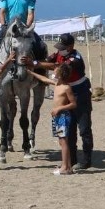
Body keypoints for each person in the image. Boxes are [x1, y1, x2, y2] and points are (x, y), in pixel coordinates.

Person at [38, 32, 94, 169]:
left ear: (71, 46)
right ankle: (72, 160)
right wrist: (33, 63)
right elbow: (48, 60)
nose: (60, 50)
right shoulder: (60, 53)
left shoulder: (75, 59)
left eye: (63, 47)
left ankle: (86, 160)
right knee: (70, 130)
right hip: (66, 95)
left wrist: (34, 63)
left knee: (84, 129)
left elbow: (57, 67)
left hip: (80, 94)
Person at [31, 64, 77, 175]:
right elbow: (44, 79)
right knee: (61, 141)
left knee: (63, 141)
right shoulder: (57, 84)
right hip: (56, 117)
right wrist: (30, 72)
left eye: (56, 70)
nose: (54, 71)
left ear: (60, 74)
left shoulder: (66, 87)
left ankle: (64, 167)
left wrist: (59, 108)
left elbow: (73, 104)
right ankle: (68, 166)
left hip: (63, 116)